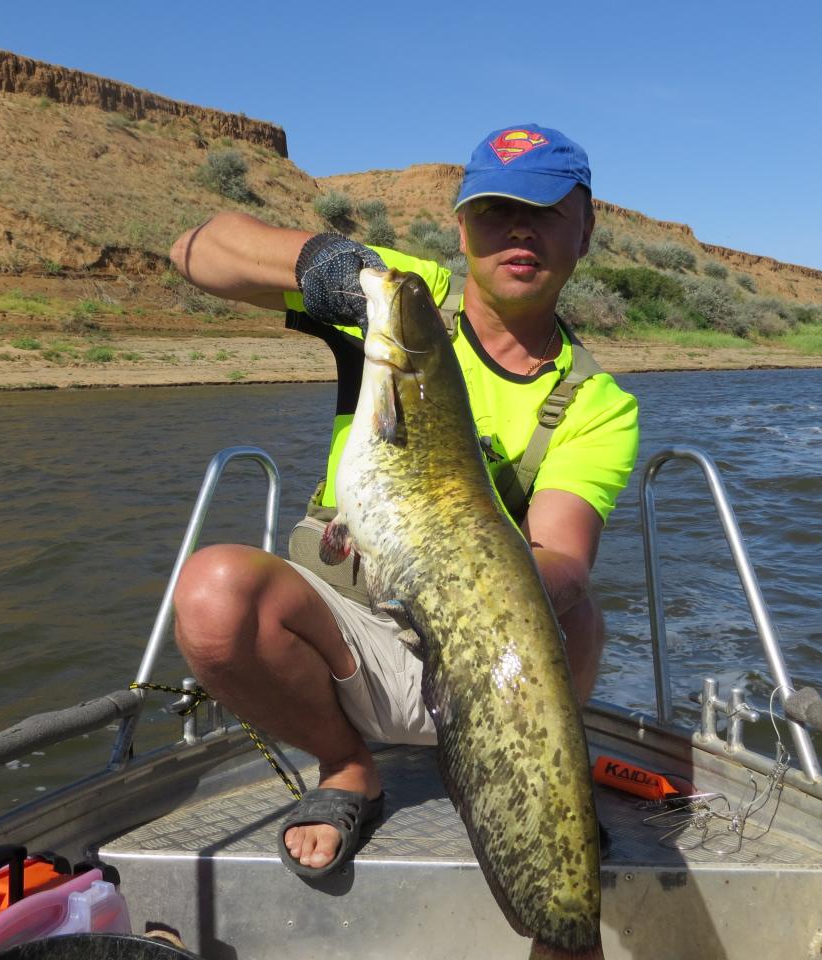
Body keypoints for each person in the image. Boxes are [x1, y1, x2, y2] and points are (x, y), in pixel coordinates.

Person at [168, 124, 639, 878]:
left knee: (576, 615)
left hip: (481, 665)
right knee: (212, 592)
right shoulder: (397, 296)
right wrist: (320, 263)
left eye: (546, 211)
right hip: (344, 637)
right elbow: (196, 251)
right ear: (462, 227)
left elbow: (562, 559)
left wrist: (454, 579)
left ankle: (531, 790)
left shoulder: (597, 403)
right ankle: (346, 765)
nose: (520, 230)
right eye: (496, 211)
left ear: (585, 230)